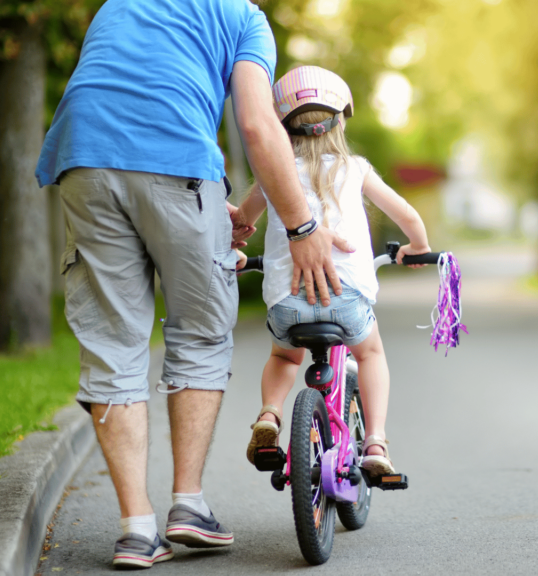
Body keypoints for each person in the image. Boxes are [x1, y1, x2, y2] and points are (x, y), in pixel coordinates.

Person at [34, 0, 353, 569]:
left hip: (83, 159)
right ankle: (188, 505)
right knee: (201, 332)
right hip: (177, 158)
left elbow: (120, 88)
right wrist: (303, 225)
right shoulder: (242, 17)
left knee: (112, 344)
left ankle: (136, 529)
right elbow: (258, 125)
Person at [237, 66, 431, 476]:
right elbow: (408, 215)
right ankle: (376, 440)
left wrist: (235, 248)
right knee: (372, 352)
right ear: (340, 120)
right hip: (347, 301)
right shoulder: (355, 168)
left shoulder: (273, 174)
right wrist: (418, 248)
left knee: (285, 357)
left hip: (288, 303)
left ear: (281, 126)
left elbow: (242, 221)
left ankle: (269, 415)